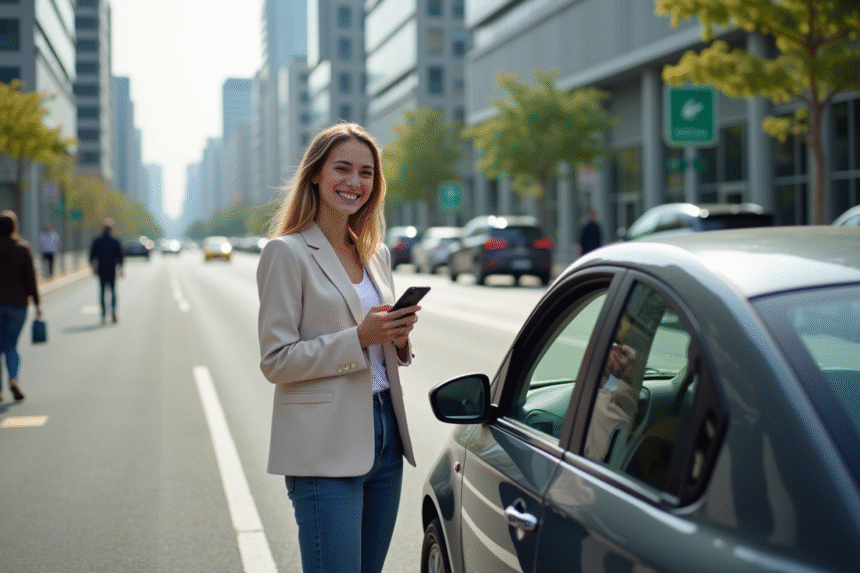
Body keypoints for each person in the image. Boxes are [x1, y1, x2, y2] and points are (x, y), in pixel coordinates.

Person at [256, 122, 420, 573]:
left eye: (366, 173)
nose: (354, 182)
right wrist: (359, 338)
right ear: (315, 174)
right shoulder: (285, 254)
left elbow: (382, 347)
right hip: (323, 445)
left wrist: (398, 337)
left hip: (386, 436)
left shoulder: (376, 254)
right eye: (342, 169)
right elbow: (276, 361)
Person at [0, 210, 41, 402]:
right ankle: (14, 380)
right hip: (18, 304)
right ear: (15, 228)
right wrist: (38, 303)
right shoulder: (23, 248)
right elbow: (30, 280)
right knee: (11, 346)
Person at [89, 218, 124, 324]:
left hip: (102, 270)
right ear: (111, 229)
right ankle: (113, 312)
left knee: (102, 292)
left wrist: (94, 267)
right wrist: (121, 269)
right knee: (112, 292)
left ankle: (104, 314)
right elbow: (120, 256)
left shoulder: (98, 241)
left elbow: (91, 256)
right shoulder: (115, 241)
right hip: (111, 270)